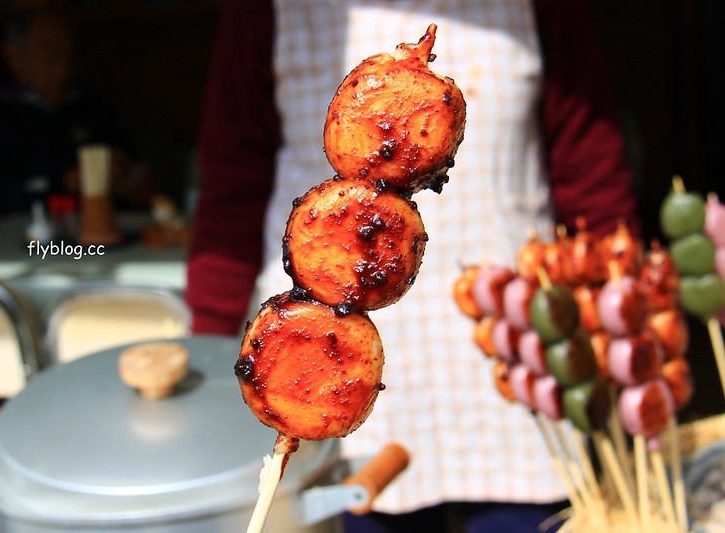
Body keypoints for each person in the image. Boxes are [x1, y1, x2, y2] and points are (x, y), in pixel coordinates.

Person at [186, 1, 639, 531]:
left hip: (511, 352)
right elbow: (231, 187)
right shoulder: (266, 11)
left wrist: (621, 327)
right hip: (316, 364)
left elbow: (592, 176)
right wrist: (208, 344)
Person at [0, 5, 153, 224]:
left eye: (70, 55)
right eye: (51, 56)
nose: (63, 67)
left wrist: (127, 179)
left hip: (96, 237)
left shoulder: (93, 109)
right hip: (15, 241)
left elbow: (138, 180)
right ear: (14, 56)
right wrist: (65, 184)